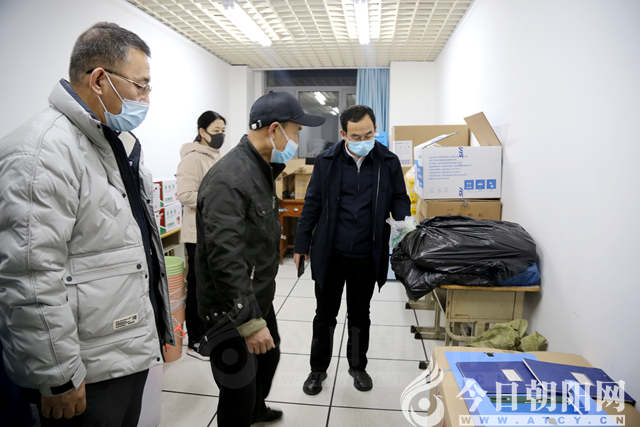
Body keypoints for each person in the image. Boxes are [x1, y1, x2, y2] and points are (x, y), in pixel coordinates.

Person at [0, 22, 173, 426]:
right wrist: (57, 375)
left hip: (123, 349)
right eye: (141, 86)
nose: (146, 99)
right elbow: (29, 276)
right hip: (84, 371)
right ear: (99, 80)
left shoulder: (112, 144)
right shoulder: (42, 152)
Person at [195, 91, 325, 426]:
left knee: (269, 356)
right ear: (275, 130)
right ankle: (245, 412)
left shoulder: (259, 169)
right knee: (238, 388)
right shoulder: (230, 178)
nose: (297, 141)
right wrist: (250, 322)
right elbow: (224, 257)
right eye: (296, 132)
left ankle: (256, 409)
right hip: (228, 307)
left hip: (254, 295)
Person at [294, 105, 411, 395]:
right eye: (356, 136)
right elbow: (312, 203)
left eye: (369, 135)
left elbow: (400, 197)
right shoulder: (327, 161)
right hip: (330, 252)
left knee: (360, 315)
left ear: (375, 130)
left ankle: (358, 367)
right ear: (343, 134)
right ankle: (317, 369)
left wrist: (403, 225)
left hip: (366, 254)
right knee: (325, 315)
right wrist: (301, 243)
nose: (363, 141)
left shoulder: (388, 161)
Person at [177, 111, 225, 361]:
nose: (221, 135)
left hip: (215, 232)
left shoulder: (216, 156)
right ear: (202, 131)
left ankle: (210, 332)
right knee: (198, 287)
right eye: (216, 131)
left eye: (223, 131)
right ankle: (195, 340)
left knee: (213, 287)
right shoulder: (192, 159)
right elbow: (185, 195)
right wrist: (218, 199)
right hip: (197, 235)